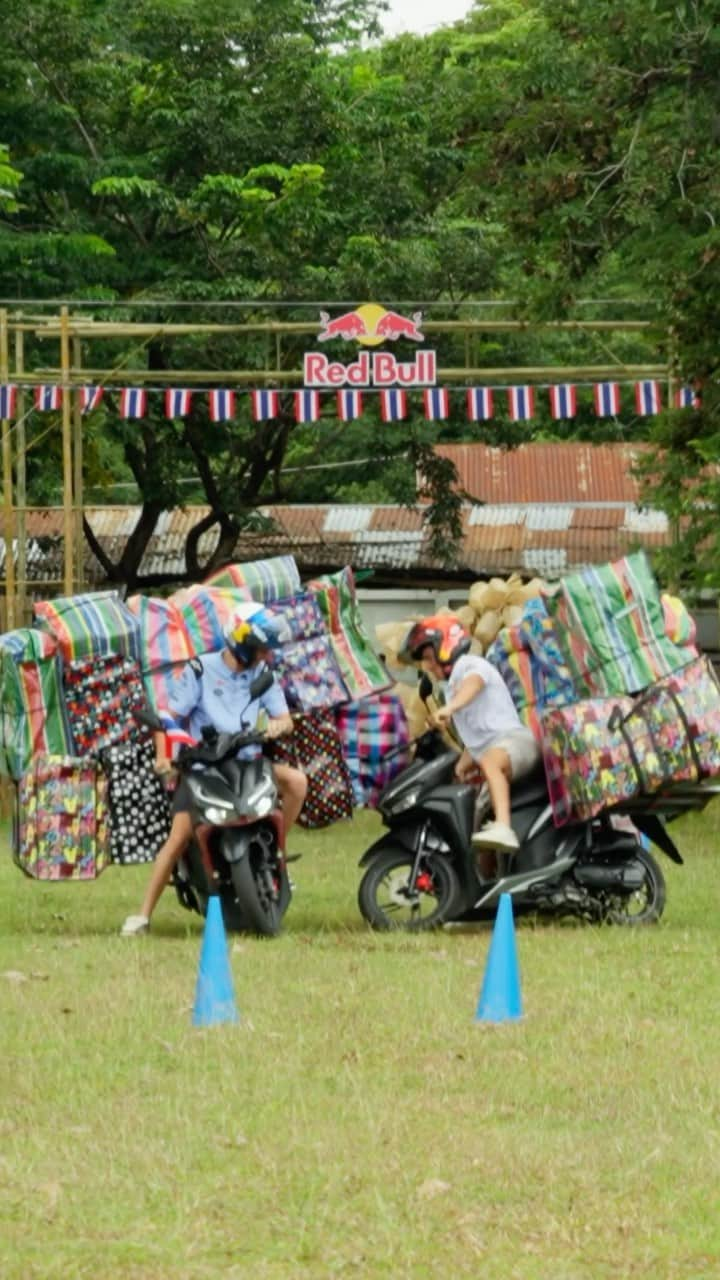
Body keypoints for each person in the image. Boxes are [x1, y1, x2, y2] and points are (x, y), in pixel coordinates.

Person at [120, 602, 307, 936]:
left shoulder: (263, 675)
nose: (266, 656)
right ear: (242, 643)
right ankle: (143, 915)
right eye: (261, 648)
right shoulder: (200, 670)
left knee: (297, 782)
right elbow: (169, 719)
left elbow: (284, 717)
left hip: (247, 761)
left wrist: (280, 726)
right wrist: (165, 758)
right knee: (178, 837)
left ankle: (274, 856)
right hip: (203, 766)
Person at [401, 614, 540, 854]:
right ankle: (485, 883)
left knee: (490, 762)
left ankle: (504, 827)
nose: (427, 666)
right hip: (500, 748)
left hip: (518, 743)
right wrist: (461, 766)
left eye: (428, 657)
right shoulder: (452, 686)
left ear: (445, 646)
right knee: (479, 832)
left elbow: (474, 685)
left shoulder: (471, 666)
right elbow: (478, 737)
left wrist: (449, 708)